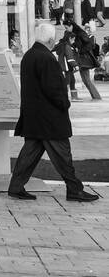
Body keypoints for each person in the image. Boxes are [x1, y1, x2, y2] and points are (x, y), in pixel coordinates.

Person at [9, 20, 98, 202]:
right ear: (50, 40)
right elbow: (54, 89)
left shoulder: (29, 55)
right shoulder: (46, 58)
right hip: (49, 118)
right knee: (63, 155)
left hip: (34, 116)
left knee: (29, 154)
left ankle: (16, 187)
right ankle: (74, 190)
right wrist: (64, 104)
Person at [72, 19, 102, 101]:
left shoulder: (91, 37)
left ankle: (96, 97)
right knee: (85, 80)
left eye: (88, 28)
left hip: (86, 60)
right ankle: (95, 96)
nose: (86, 29)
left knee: (87, 80)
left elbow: (91, 47)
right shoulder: (82, 35)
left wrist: (80, 50)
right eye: (86, 27)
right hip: (82, 59)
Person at [54, 19, 80, 101]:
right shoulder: (67, 46)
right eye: (73, 39)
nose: (74, 41)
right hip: (67, 68)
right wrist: (75, 65)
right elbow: (70, 59)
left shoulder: (65, 45)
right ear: (69, 38)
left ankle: (74, 97)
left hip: (68, 68)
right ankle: (63, 96)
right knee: (67, 82)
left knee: (72, 81)